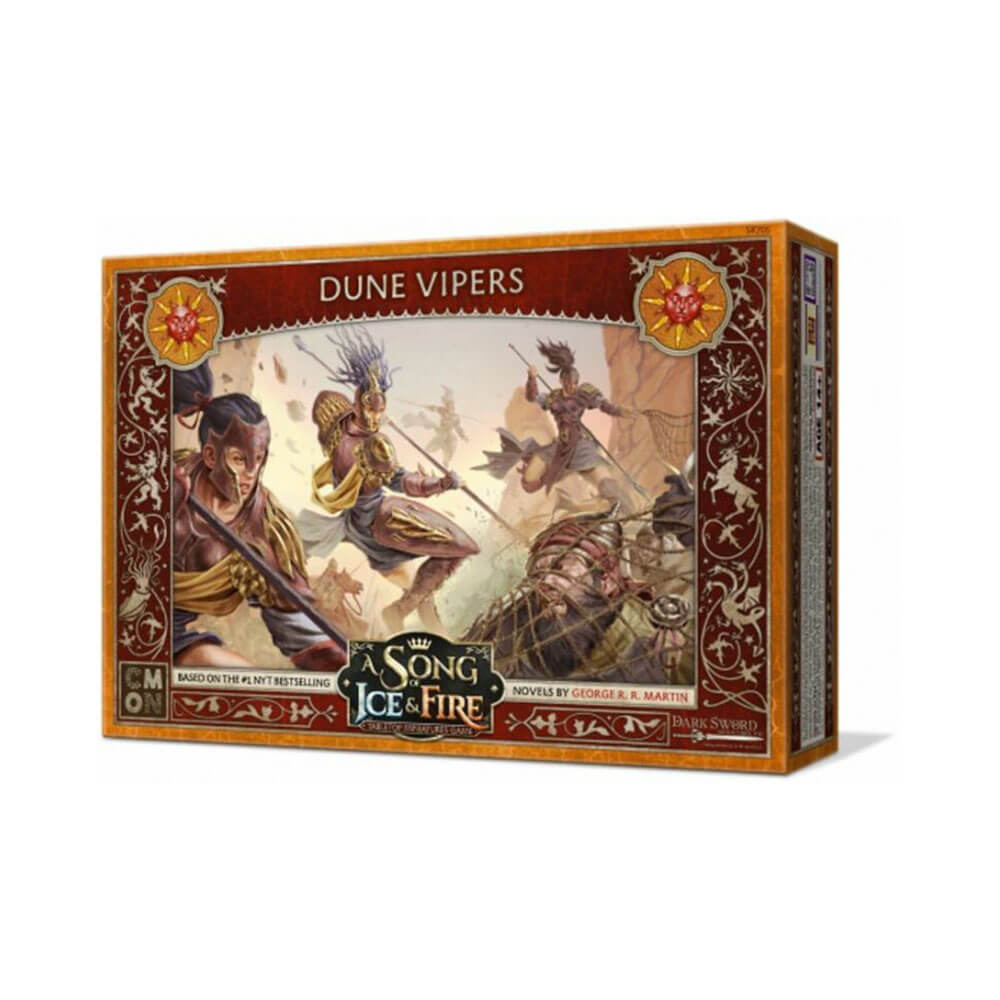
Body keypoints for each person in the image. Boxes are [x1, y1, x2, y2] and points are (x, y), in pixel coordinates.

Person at [297, 329, 479, 633]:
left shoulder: (340, 432)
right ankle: (398, 611)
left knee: (430, 575)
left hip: (363, 520)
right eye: (370, 409)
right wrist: (440, 484)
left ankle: (432, 627)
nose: (375, 416)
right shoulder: (368, 445)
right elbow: (400, 480)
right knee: (459, 547)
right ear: (357, 405)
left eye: (380, 410)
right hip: (379, 521)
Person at [171, 363, 346, 670]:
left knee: (237, 673)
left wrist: (342, 669)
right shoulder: (168, 479)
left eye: (259, 459)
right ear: (210, 455)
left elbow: (299, 627)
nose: (251, 473)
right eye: (239, 459)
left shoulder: (264, 528)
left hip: (171, 638)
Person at [475, 339, 635, 494]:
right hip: (559, 447)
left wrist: (621, 411)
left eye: (574, 383)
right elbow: (532, 397)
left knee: (606, 485)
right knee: (530, 481)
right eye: (568, 382)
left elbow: (604, 405)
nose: (571, 386)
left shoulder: (584, 393)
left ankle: (619, 503)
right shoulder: (553, 398)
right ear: (561, 381)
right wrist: (532, 378)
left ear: (577, 381)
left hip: (580, 444)